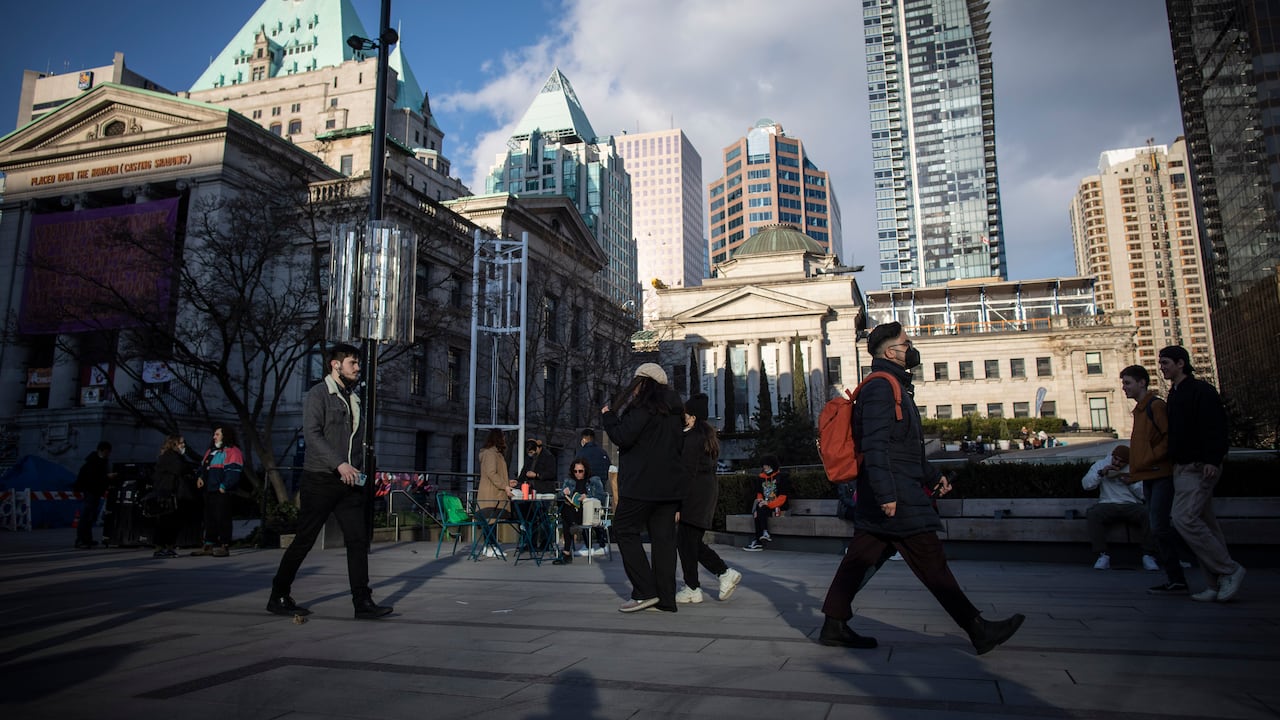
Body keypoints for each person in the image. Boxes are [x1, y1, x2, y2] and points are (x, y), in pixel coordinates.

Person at [820, 322, 1025, 654]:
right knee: (931, 562)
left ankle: (833, 623)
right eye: (906, 343)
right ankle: (977, 628)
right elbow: (875, 447)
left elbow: (906, 448)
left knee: (859, 560)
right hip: (896, 497)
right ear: (890, 353)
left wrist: (932, 477)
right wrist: (887, 494)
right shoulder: (880, 388)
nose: (911, 347)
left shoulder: (895, 385)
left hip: (895, 491)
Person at [267, 343, 392, 619]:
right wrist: (339, 463)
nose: (357, 368)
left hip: (350, 482)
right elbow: (312, 436)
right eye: (352, 363)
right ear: (335, 365)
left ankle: (363, 603)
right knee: (304, 539)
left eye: (358, 363)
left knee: (358, 541)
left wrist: (361, 470)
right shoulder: (318, 395)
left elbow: (357, 441)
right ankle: (278, 594)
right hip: (321, 479)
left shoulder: (354, 398)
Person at [1158, 345, 1244, 602]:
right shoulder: (1174, 393)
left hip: (1198, 467)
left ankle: (1230, 569)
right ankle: (1215, 584)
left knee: (1183, 519)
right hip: (1183, 466)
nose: (1162, 367)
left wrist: (1212, 460)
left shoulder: (1201, 391)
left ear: (1181, 363)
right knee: (1206, 525)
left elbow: (1215, 427)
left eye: (1165, 363)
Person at [602, 362, 685, 613]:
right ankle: (666, 598)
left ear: (643, 383)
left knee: (624, 529)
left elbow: (623, 436)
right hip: (669, 486)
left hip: (641, 484)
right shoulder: (674, 411)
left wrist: (608, 417)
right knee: (664, 540)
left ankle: (645, 591)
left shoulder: (645, 408)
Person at [1122, 364, 1189, 595]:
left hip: (1161, 474)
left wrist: (1149, 459)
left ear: (1142, 383)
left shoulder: (1155, 406)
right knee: (1157, 525)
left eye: (1128, 383)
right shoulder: (1139, 411)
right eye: (1123, 383)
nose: (1124, 388)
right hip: (1148, 474)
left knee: (1160, 526)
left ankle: (1178, 575)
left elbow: (1169, 439)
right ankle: (1175, 577)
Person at [675, 393, 742, 603]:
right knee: (688, 542)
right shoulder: (706, 437)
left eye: (685, 413)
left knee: (689, 542)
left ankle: (720, 574)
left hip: (694, 496)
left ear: (692, 417)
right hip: (704, 494)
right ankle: (694, 586)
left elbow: (685, 473)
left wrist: (678, 504)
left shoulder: (691, 439)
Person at [1081, 445, 1160, 571]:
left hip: (1132, 504)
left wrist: (1131, 483)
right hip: (1108, 503)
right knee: (1093, 514)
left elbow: (1144, 495)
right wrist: (1100, 474)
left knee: (1147, 513)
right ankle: (1102, 555)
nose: (1117, 463)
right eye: (1115, 459)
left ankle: (1148, 555)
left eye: (1121, 461)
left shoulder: (1135, 468)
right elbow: (1086, 485)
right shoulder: (1101, 464)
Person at [191, 426, 243, 557]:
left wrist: (225, 485)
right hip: (209, 489)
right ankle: (208, 544)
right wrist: (200, 477)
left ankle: (224, 545)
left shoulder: (233, 451)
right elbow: (202, 467)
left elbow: (234, 471)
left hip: (221, 490)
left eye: (217, 434)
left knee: (223, 517)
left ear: (225, 435)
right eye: (214, 434)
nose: (214, 437)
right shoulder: (211, 451)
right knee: (209, 518)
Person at [149, 435, 188, 558]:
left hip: (169, 492)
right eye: (181, 443)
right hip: (167, 492)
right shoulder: (171, 456)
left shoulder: (170, 456)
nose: (183, 445)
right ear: (174, 444)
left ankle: (167, 547)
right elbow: (180, 469)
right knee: (166, 522)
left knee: (170, 522)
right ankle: (161, 547)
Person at [74, 441, 116, 549]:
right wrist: (107, 478)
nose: (108, 454)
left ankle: (87, 539)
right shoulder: (94, 462)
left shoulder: (100, 461)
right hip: (90, 491)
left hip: (95, 491)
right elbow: (93, 479)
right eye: (107, 452)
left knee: (90, 517)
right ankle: (81, 540)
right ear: (101, 450)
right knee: (86, 516)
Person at [743, 454, 788, 551]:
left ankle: (758, 540)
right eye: (763, 465)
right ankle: (764, 533)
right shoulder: (761, 477)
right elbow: (759, 493)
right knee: (758, 510)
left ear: (772, 465)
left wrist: (769, 504)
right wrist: (760, 500)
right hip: (765, 505)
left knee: (760, 510)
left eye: (766, 465)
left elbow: (783, 497)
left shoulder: (781, 477)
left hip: (778, 506)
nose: (764, 467)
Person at [552, 459, 592, 565]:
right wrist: (563, 493)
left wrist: (587, 496)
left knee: (566, 517)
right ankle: (573, 526)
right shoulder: (569, 481)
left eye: (580, 471)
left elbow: (600, 496)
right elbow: (558, 497)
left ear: (585, 471)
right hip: (571, 513)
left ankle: (566, 554)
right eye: (575, 471)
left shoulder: (592, 481)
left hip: (585, 513)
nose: (578, 474)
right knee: (565, 508)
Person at [578, 428, 612, 493]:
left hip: (586, 489)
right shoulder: (603, 452)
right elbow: (608, 469)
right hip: (601, 487)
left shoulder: (581, 453)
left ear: (584, 439)